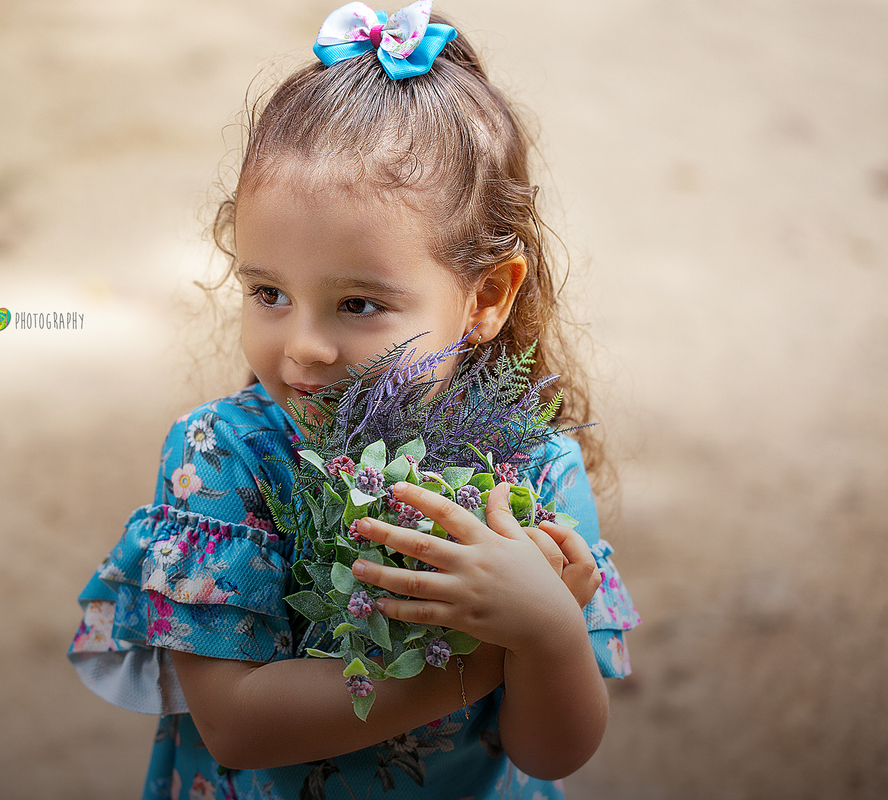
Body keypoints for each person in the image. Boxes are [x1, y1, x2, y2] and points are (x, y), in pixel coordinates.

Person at [69, 3, 640, 798]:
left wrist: (547, 638)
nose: (303, 345)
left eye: (359, 306)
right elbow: (236, 725)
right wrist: (479, 657)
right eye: (268, 292)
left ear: (486, 298)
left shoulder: (533, 476)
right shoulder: (224, 459)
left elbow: (552, 754)